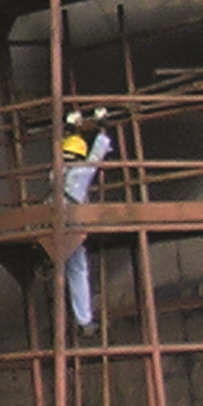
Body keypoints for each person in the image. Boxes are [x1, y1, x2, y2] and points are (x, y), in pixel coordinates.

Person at [59, 112, 113, 335]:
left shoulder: (57, 170)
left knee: (67, 268)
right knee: (77, 269)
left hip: (53, 221)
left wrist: (72, 128)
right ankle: (84, 320)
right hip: (72, 224)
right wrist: (102, 129)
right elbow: (97, 155)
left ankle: (79, 320)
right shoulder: (81, 172)